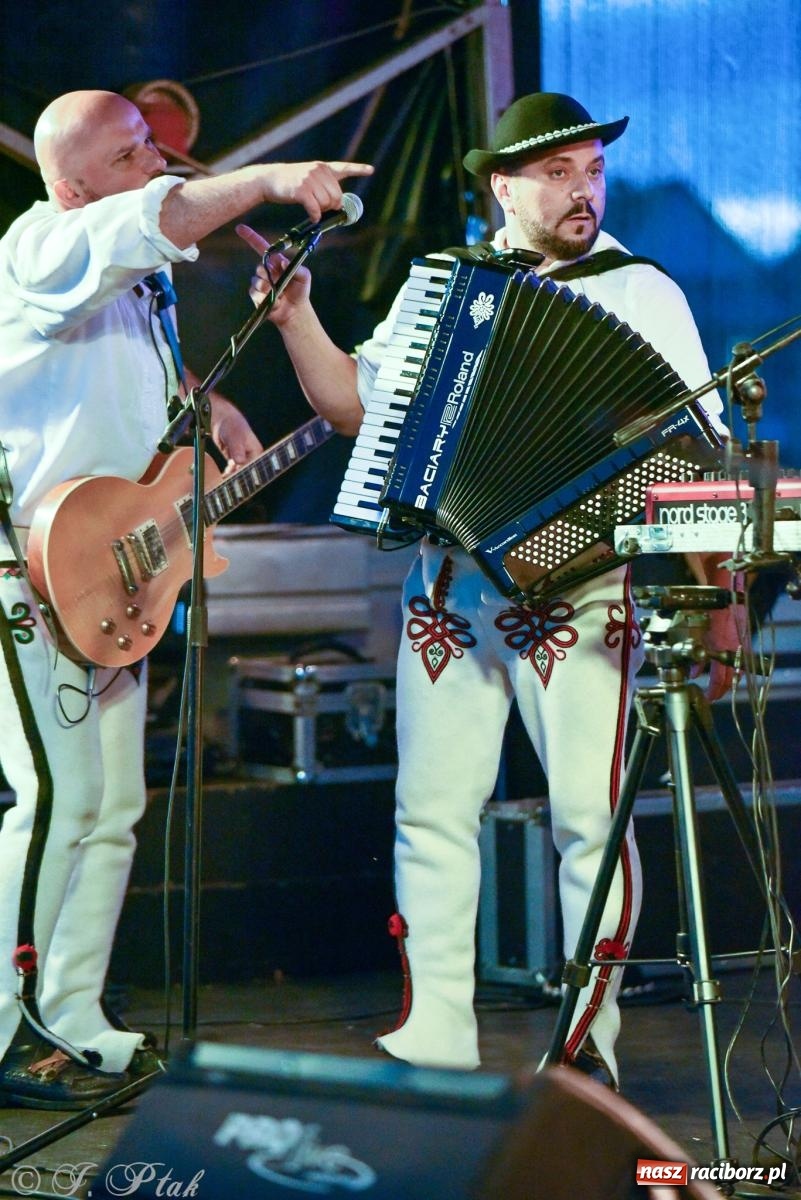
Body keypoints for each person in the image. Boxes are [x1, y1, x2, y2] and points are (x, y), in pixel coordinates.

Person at [238, 92, 740, 1085]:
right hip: (450, 587)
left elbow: (697, 460)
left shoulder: (642, 291)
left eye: (593, 171)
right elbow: (354, 407)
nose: (583, 191)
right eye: (557, 173)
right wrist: (295, 319)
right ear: (503, 187)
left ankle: (588, 1044)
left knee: (590, 820)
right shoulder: (446, 283)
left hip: (581, 594)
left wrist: (718, 603)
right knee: (430, 812)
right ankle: (435, 1029)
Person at [0, 88, 373, 1109]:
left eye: (152, 146)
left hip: (104, 568)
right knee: (56, 797)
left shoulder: (131, 279)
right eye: (129, 153)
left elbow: (111, 374)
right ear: (73, 185)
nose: (155, 162)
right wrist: (271, 180)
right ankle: (4, 1025)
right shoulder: (42, 243)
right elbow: (151, 218)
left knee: (113, 807)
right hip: (28, 570)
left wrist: (204, 402)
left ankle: (71, 1018)